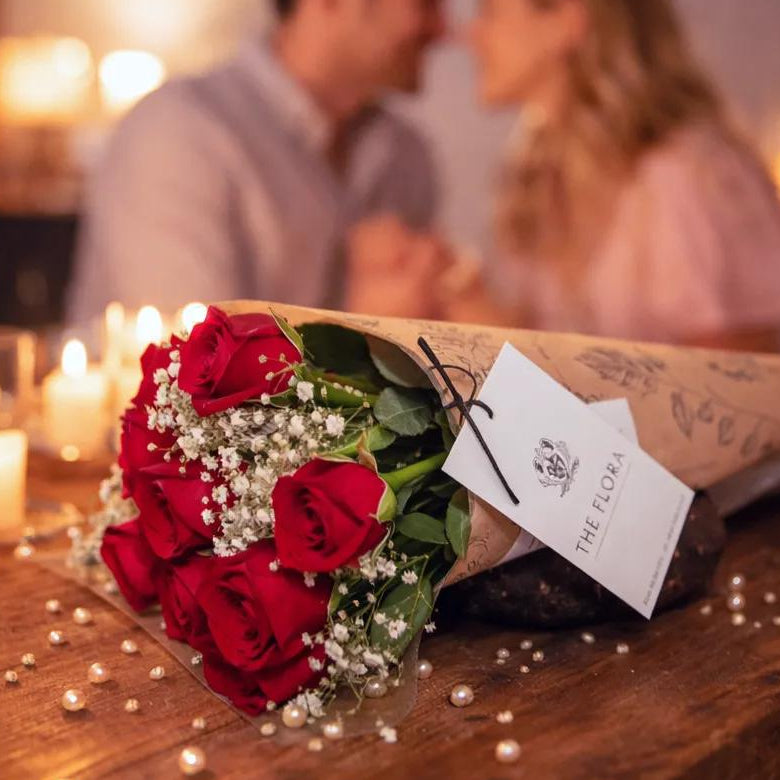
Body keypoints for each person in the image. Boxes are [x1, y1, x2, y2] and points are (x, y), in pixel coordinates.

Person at [353, 0, 780, 351]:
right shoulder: (539, 176)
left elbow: (743, 380)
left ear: (566, 21)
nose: (470, 35)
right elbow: (564, 357)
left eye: (491, 12)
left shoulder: (687, 174)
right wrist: (461, 295)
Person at [68, 0, 444, 323]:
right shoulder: (180, 131)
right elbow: (192, 373)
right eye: (425, 2)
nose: (443, 29)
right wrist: (361, 336)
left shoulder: (406, 155)